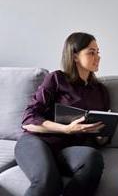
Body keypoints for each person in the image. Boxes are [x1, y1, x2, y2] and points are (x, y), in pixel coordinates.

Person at [15, 32, 109, 196]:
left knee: (93, 157)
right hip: (38, 142)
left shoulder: (101, 91)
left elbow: (102, 139)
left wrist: (102, 134)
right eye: (91, 52)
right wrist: (66, 129)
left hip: (69, 150)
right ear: (75, 57)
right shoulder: (56, 79)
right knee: (48, 182)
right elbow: (29, 119)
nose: (98, 57)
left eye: (98, 52)